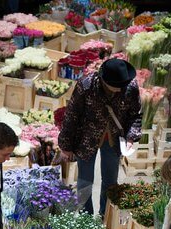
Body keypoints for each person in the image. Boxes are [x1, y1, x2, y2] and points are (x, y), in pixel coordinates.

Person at [58, 58, 142, 216]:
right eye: (116, 86)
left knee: (110, 181)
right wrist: (66, 146)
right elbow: (71, 116)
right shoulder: (86, 85)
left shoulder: (130, 87)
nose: (119, 89)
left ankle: (106, 214)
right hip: (86, 139)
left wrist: (131, 137)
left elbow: (135, 115)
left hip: (115, 139)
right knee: (85, 181)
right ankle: (86, 217)